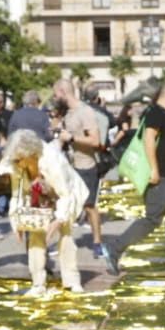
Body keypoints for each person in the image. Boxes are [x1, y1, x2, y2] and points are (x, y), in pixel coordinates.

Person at [100, 83, 165, 276]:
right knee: (152, 219)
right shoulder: (155, 113)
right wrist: (154, 170)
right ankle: (115, 248)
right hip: (160, 178)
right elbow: (148, 139)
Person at [0, 128, 89, 295]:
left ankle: (72, 280)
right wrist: (16, 222)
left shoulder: (52, 159)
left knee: (66, 234)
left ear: (31, 153)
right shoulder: (16, 161)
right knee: (35, 234)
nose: (19, 163)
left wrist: (59, 219)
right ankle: (38, 283)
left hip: (65, 193)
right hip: (40, 194)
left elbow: (65, 194)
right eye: (16, 160)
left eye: (21, 159)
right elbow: (17, 194)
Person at [55, 79, 105, 252]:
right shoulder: (67, 112)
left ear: (63, 92)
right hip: (70, 166)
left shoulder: (85, 111)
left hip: (86, 166)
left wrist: (71, 138)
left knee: (89, 207)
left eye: (56, 95)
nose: (55, 98)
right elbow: (62, 136)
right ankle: (63, 243)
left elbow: (96, 141)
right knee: (65, 206)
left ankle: (97, 243)